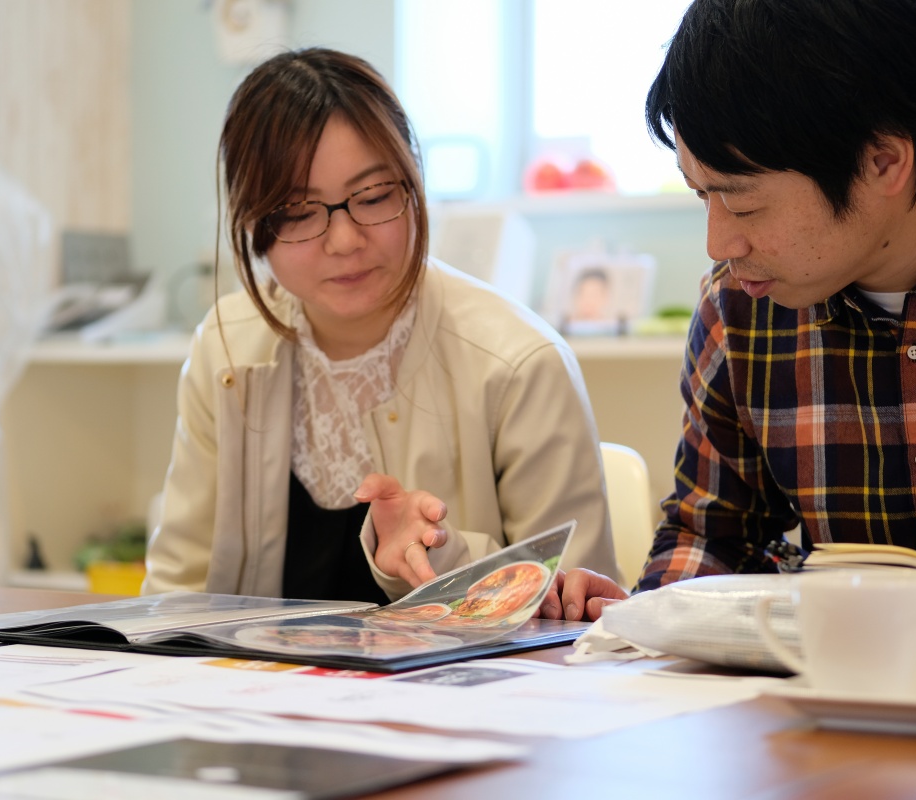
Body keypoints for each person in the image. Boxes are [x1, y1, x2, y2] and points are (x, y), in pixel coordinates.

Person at [555, 0, 916, 621]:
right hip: (834, 699)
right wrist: (647, 618)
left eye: (744, 204)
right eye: (702, 194)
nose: (719, 246)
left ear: (883, 160)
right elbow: (714, 540)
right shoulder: (741, 308)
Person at [144, 48, 620, 603]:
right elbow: (176, 591)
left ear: (414, 186)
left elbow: (581, 617)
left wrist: (441, 554)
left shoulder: (518, 364)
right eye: (298, 212)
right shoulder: (225, 349)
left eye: (372, 198)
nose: (344, 240)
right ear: (254, 224)